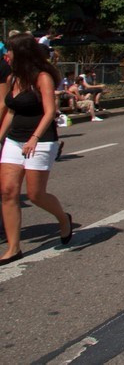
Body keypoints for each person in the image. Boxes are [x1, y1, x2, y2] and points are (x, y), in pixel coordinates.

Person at [0, 32, 73, 264]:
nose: (6, 55)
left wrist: (34, 137)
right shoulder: (13, 79)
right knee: (8, 192)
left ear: (20, 53)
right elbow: (11, 110)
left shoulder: (42, 77)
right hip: (14, 140)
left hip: (40, 140)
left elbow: (50, 111)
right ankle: (13, 248)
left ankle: (63, 219)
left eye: (9, 51)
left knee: (35, 194)